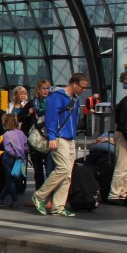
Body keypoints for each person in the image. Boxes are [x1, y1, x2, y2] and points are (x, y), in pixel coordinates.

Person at [33, 72, 89, 216]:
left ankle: (58, 207)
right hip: (60, 137)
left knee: (67, 174)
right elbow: (51, 117)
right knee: (63, 169)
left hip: (70, 138)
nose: (84, 90)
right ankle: (39, 196)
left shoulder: (74, 99)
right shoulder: (58, 96)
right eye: (82, 87)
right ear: (74, 84)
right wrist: (52, 137)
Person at [0, 113, 27, 208]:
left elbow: (7, 148)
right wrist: (20, 154)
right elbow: (26, 146)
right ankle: (0, 199)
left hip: (9, 159)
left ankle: (14, 200)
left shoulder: (6, 135)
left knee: (9, 180)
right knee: (12, 180)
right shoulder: (21, 133)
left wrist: (14, 154)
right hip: (20, 159)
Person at [20, 79, 51, 189]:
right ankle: (39, 194)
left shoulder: (51, 102)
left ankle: (48, 195)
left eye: (47, 88)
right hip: (35, 140)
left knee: (49, 170)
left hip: (48, 139)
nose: (46, 91)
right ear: (38, 89)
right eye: (44, 88)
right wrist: (29, 113)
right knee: (37, 171)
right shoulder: (32, 103)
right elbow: (20, 117)